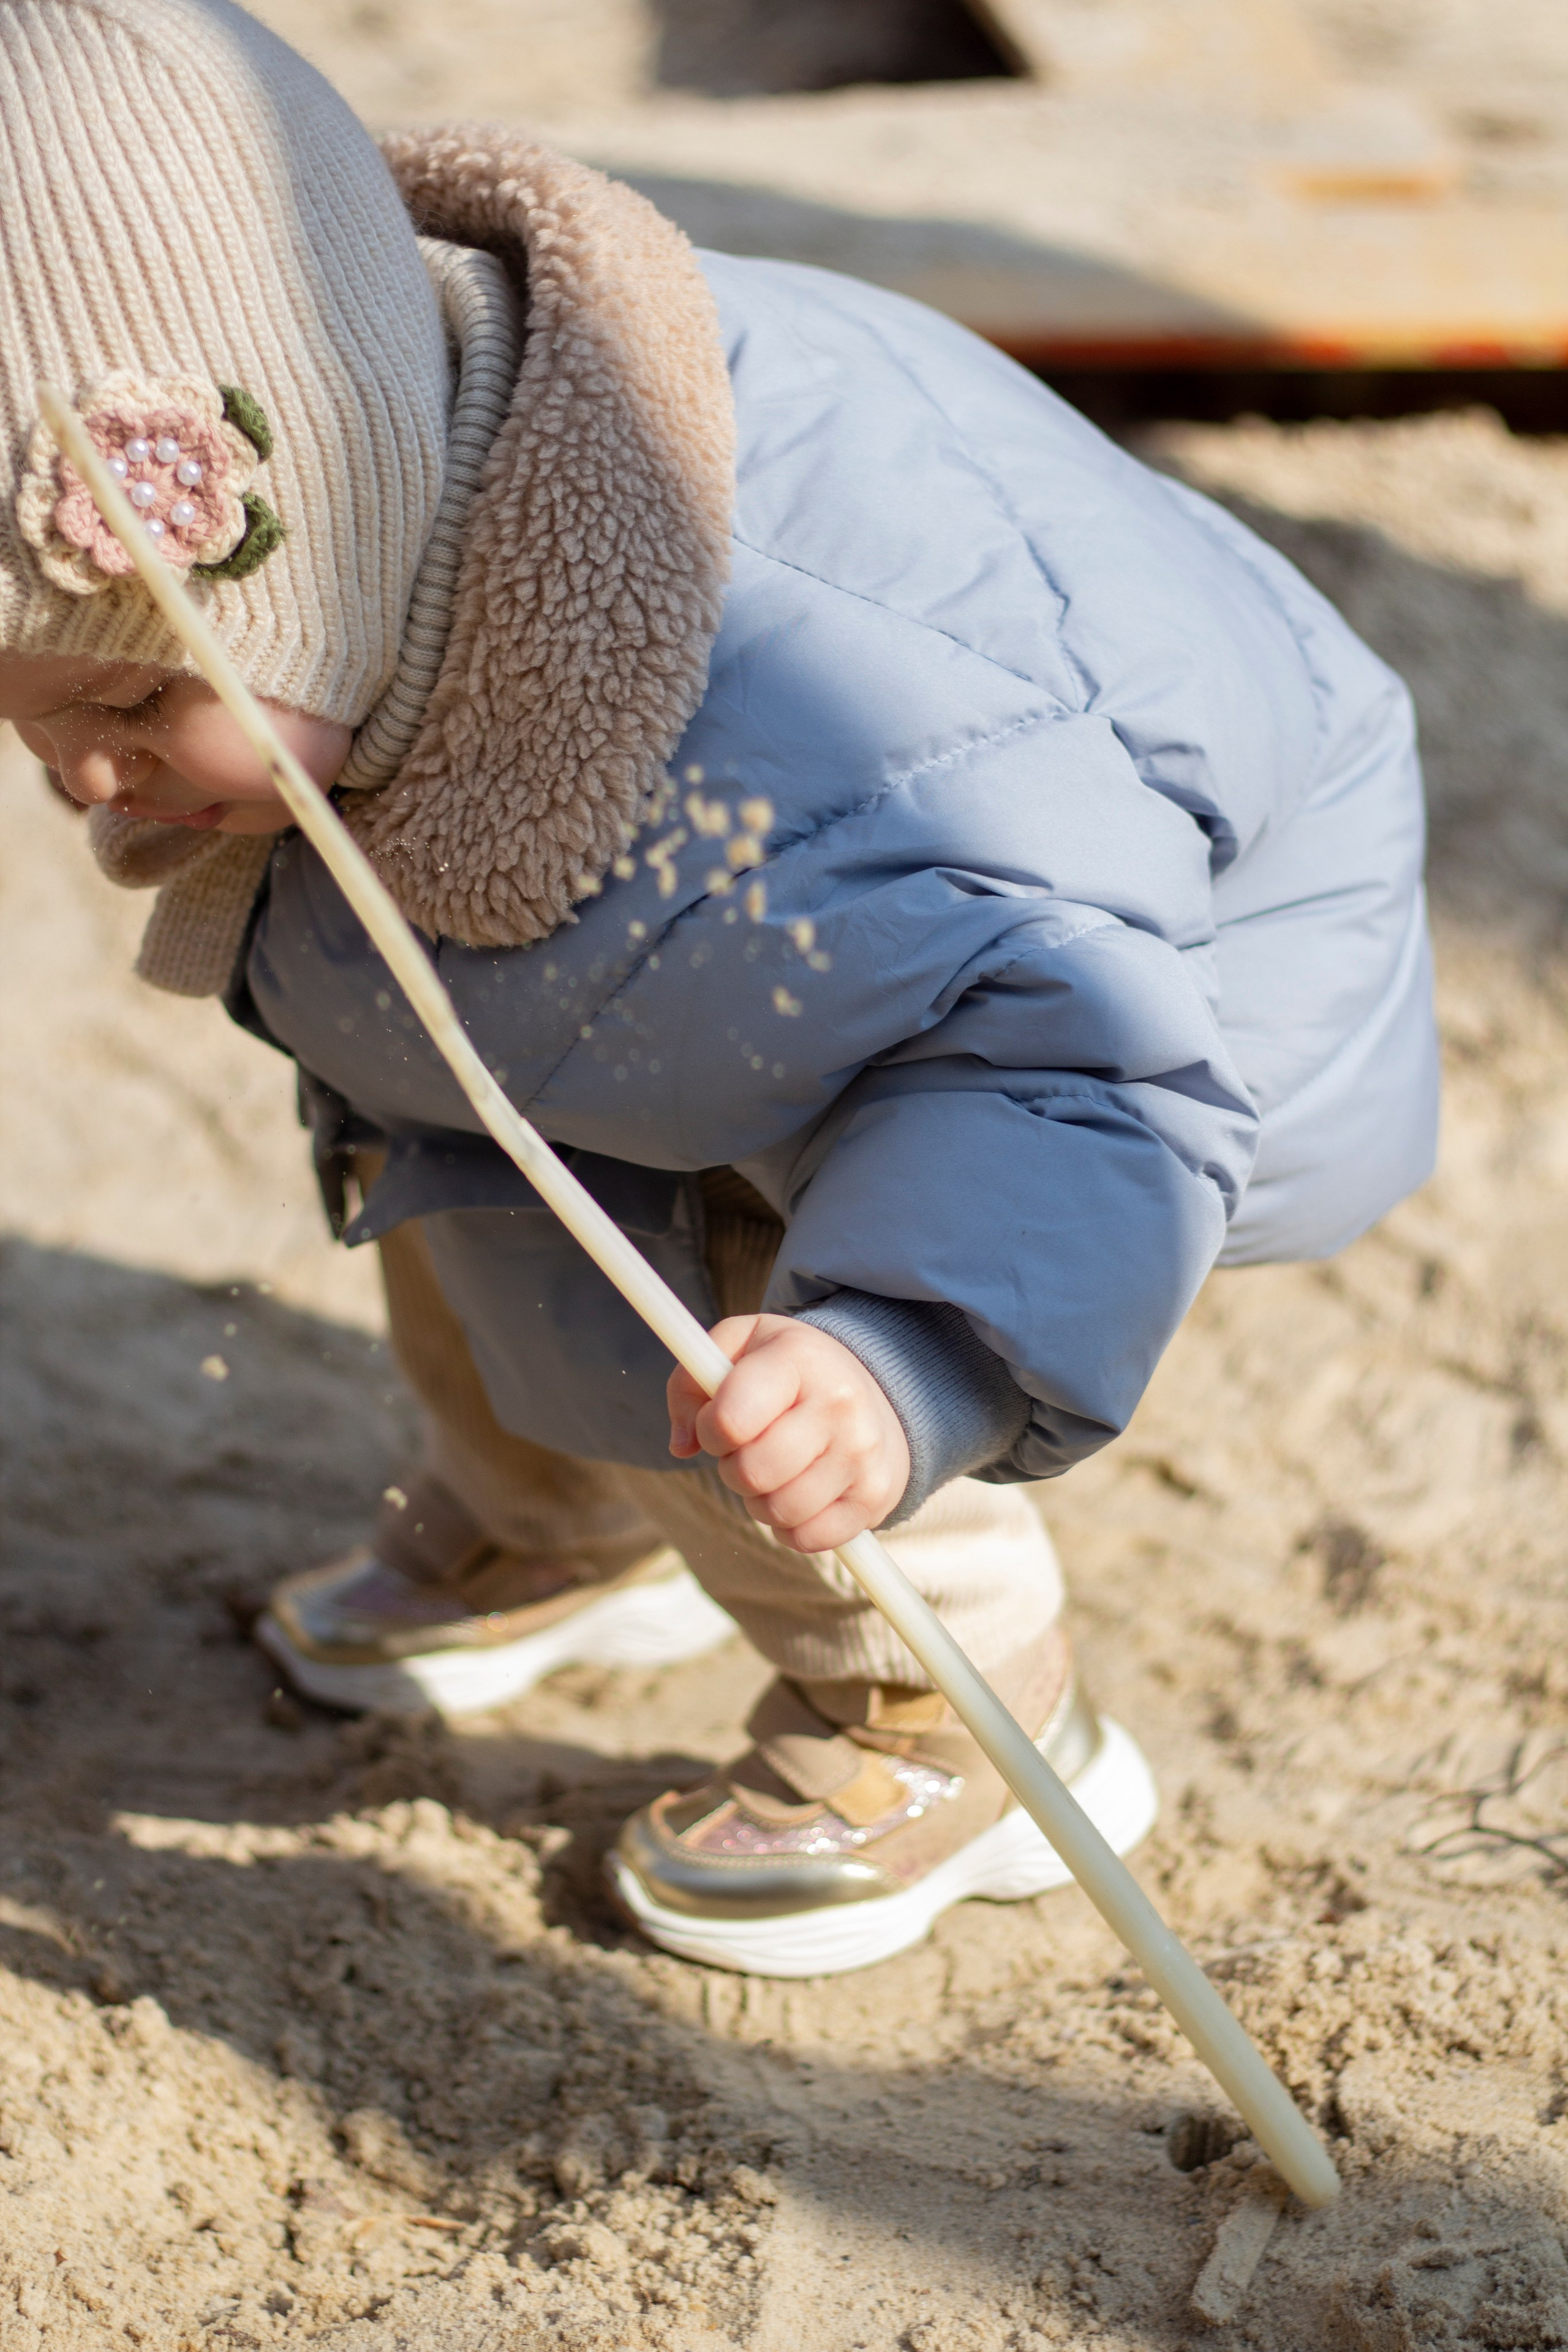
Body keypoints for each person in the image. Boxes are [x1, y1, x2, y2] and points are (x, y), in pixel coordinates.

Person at [0, 0, 1438, 1978]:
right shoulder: (401, 579)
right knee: (473, 1111)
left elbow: (1068, 1046)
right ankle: (554, 1510)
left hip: (1155, 983)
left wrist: (900, 1362)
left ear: (302, 548)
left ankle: (960, 1718)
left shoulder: (826, 714)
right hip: (791, 937)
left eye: (130, 699)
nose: (85, 781)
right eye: (30, 724)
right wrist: (181, 718)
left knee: (718, 1318)